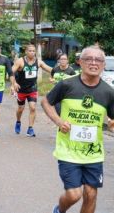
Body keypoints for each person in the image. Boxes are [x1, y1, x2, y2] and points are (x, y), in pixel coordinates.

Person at [41, 46, 114, 213]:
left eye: (98, 60)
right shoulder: (66, 84)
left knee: (91, 194)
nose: (93, 63)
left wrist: (111, 125)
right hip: (68, 150)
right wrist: (59, 121)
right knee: (74, 195)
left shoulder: (108, 92)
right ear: (80, 62)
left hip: (93, 153)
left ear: (103, 65)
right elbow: (46, 102)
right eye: (89, 59)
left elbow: (113, 121)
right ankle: (59, 210)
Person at [11, 44, 51, 137]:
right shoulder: (20, 61)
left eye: (33, 51)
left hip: (32, 88)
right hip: (20, 89)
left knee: (33, 107)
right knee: (20, 109)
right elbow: (11, 72)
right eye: (30, 51)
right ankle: (18, 121)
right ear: (26, 51)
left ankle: (30, 128)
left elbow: (49, 69)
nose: (32, 53)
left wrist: (60, 71)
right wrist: (14, 84)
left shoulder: (38, 62)